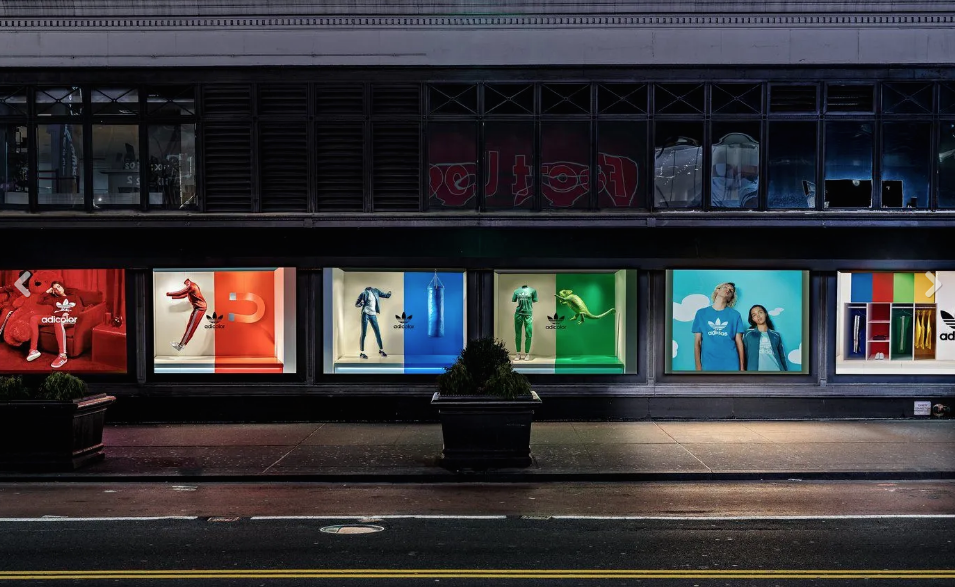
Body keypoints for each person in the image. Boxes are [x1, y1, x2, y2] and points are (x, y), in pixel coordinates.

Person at [25, 281, 81, 369]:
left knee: (58, 321)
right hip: (55, 318)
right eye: (55, 289)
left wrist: (68, 313)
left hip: (71, 319)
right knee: (34, 318)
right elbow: (39, 301)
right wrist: (48, 291)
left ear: (62, 287)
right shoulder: (54, 299)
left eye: (58, 286)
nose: (57, 289)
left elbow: (79, 309)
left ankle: (63, 355)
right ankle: (33, 350)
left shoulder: (73, 297)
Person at [691, 282, 745, 371]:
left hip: (732, 363)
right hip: (708, 364)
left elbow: (739, 342)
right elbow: (697, 342)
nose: (728, 290)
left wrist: (742, 368)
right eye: (725, 287)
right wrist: (698, 367)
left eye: (731, 290)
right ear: (717, 290)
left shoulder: (735, 315)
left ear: (731, 298)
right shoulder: (701, 313)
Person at [742, 304, 788, 372]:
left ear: (765, 314)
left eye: (760, 312)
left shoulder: (776, 335)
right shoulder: (748, 334)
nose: (758, 316)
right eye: (754, 315)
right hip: (756, 376)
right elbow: (744, 355)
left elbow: (782, 357)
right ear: (752, 319)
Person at [167, 278, 207, 351]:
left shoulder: (191, 286)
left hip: (200, 308)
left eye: (185, 283)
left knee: (190, 328)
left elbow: (180, 292)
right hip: (198, 307)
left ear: (188, 281)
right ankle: (181, 344)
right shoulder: (192, 287)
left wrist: (169, 293)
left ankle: (181, 346)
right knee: (190, 327)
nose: (185, 285)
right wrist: (173, 297)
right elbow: (184, 295)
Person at [355, 286, 391, 359]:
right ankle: (362, 353)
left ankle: (381, 350)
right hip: (365, 313)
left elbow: (384, 295)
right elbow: (356, 304)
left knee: (377, 332)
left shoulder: (376, 291)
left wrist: (388, 294)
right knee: (364, 333)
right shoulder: (363, 293)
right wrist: (361, 304)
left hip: (373, 314)